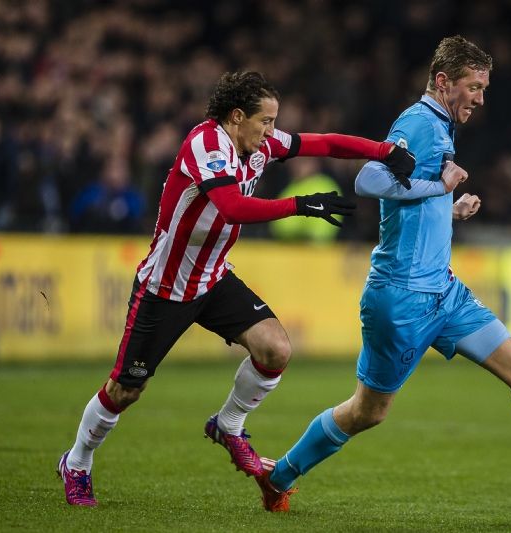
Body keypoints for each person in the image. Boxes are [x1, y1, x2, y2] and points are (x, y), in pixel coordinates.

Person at [255, 36, 511, 515]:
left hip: (444, 293)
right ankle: (279, 476)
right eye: (474, 87)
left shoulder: (440, 126)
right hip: (402, 297)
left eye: (484, 88)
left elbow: (407, 198)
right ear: (444, 81)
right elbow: (369, 180)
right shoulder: (419, 122)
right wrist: (440, 186)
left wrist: (446, 209)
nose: (480, 98)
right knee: (368, 411)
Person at [57, 71, 415, 506]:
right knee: (126, 389)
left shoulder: (260, 144)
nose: (271, 131)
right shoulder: (205, 144)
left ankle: (227, 425)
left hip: (214, 278)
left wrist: (384, 151)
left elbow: (322, 143)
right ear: (237, 116)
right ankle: (77, 462)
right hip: (166, 286)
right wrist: (300, 205)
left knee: (275, 349)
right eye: (266, 121)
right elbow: (232, 207)